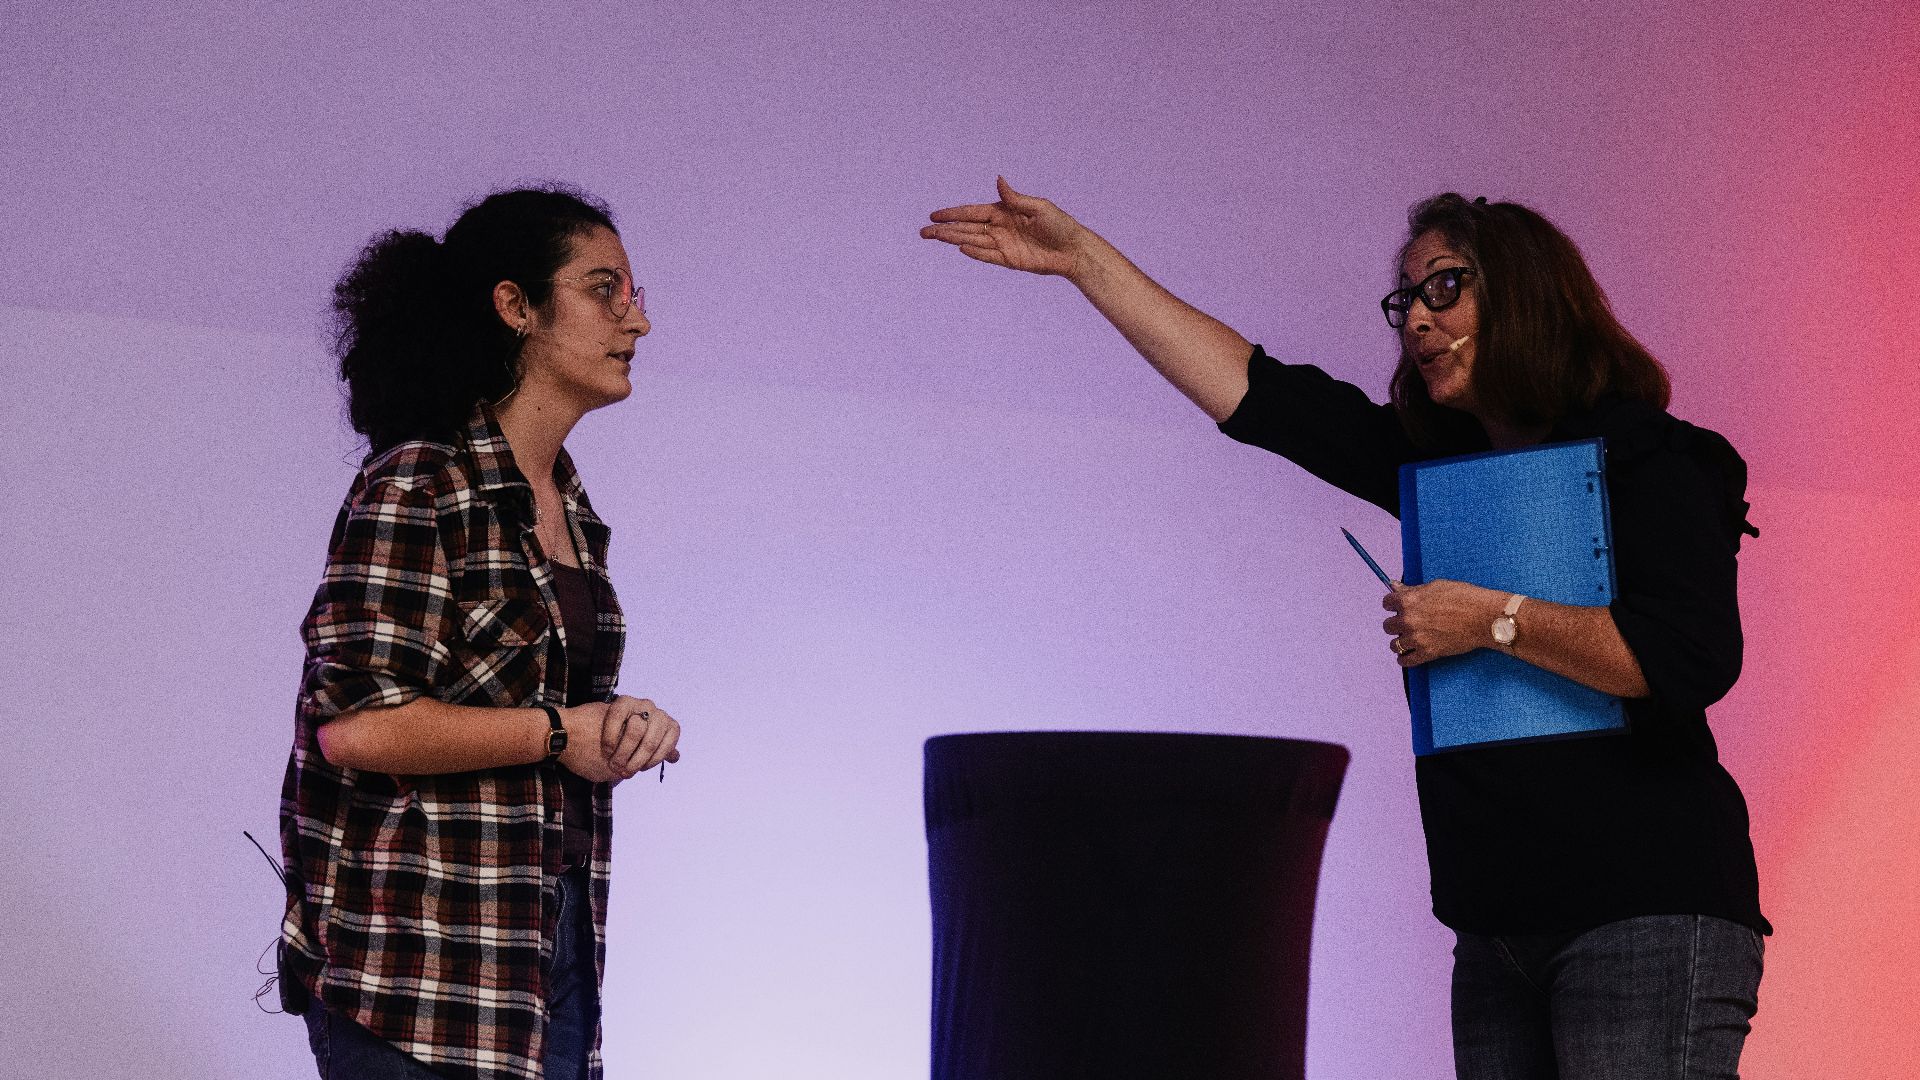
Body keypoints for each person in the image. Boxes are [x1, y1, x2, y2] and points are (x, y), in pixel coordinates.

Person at [921, 179, 1768, 1078]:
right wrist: (1085, 262)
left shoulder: (1657, 461)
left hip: (1645, 909)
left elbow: (1689, 658)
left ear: (1526, 294)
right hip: (1496, 928)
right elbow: (1262, 397)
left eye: (1445, 287)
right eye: (1406, 300)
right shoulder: (1436, 469)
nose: (1415, 320)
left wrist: (1487, 619)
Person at [276, 187, 683, 1080]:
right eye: (605, 289)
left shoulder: (568, 504)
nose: (637, 321)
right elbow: (359, 725)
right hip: (419, 970)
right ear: (517, 307)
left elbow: (534, 701)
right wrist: (557, 732)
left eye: (634, 293)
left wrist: (615, 726)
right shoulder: (420, 483)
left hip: (545, 943)